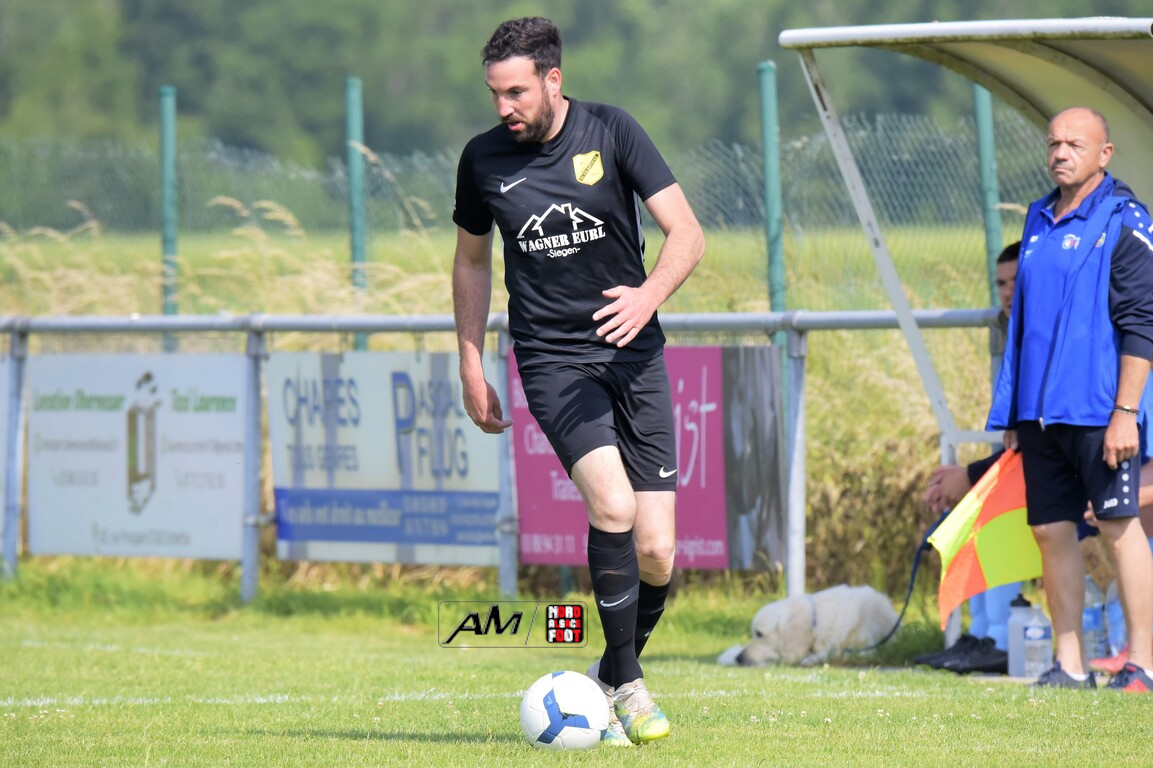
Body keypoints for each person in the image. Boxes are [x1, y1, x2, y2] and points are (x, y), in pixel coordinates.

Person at [451, 17, 705, 744]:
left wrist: (648, 295)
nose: (504, 106)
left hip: (634, 354)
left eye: (517, 92)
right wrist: (470, 361)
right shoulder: (482, 159)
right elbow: (471, 261)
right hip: (552, 360)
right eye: (496, 93)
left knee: (657, 551)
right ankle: (630, 689)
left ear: (553, 80)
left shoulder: (611, 131)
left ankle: (609, 673)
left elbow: (687, 233)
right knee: (613, 504)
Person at [987, 106, 1153, 692]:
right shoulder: (1038, 217)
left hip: (1100, 410)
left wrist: (1125, 412)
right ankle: (1070, 666)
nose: (1060, 153)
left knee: (1118, 526)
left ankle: (1143, 664)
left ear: (1104, 154)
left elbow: (1142, 323)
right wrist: (1012, 410)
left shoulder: (1126, 219)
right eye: (1054, 143)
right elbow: (1023, 323)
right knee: (1050, 530)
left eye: (1075, 144)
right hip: (1039, 413)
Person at [918, 242, 1021, 675]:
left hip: (1068, 478)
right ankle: (981, 635)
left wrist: (972, 475)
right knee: (975, 505)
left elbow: (1032, 445)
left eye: (1017, 281)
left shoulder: (1048, 336)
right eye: (1000, 283)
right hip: (1036, 468)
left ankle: (1001, 640)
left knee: (992, 508)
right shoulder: (1017, 334)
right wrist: (970, 479)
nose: (1008, 292)